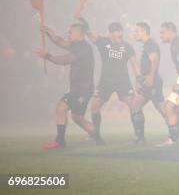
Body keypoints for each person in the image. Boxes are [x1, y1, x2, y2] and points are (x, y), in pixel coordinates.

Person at [76, 16, 139, 144]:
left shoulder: (127, 46)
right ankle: (96, 135)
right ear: (110, 34)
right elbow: (89, 33)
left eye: (120, 32)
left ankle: (139, 136)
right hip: (106, 81)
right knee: (95, 106)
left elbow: (135, 64)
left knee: (133, 105)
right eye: (116, 32)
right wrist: (83, 21)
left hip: (123, 80)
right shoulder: (103, 42)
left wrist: (138, 79)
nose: (119, 35)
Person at [37, 23, 101, 148]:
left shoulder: (83, 48)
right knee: (77, 117)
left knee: (61, 108)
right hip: (79, 89)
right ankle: (98, 138)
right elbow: (60, 42)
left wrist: (47, 56)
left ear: (79, 33)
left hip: (82, 89)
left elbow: (64, 60)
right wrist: (48, 31)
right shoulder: (76, 45)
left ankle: (60, 141)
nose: (68, 34)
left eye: (70, 32)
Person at [130, 22, 165, 145]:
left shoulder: (150, 44)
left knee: (135, 105)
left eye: (137, 31)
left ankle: (140, 138)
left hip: (152, 81)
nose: (135, 34)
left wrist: (150, 77)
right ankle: (177, 134)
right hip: (151, 80)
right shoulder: (147, 45)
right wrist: (140, 80)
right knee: (162, 108)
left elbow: (155, 60)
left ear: (145, 31)